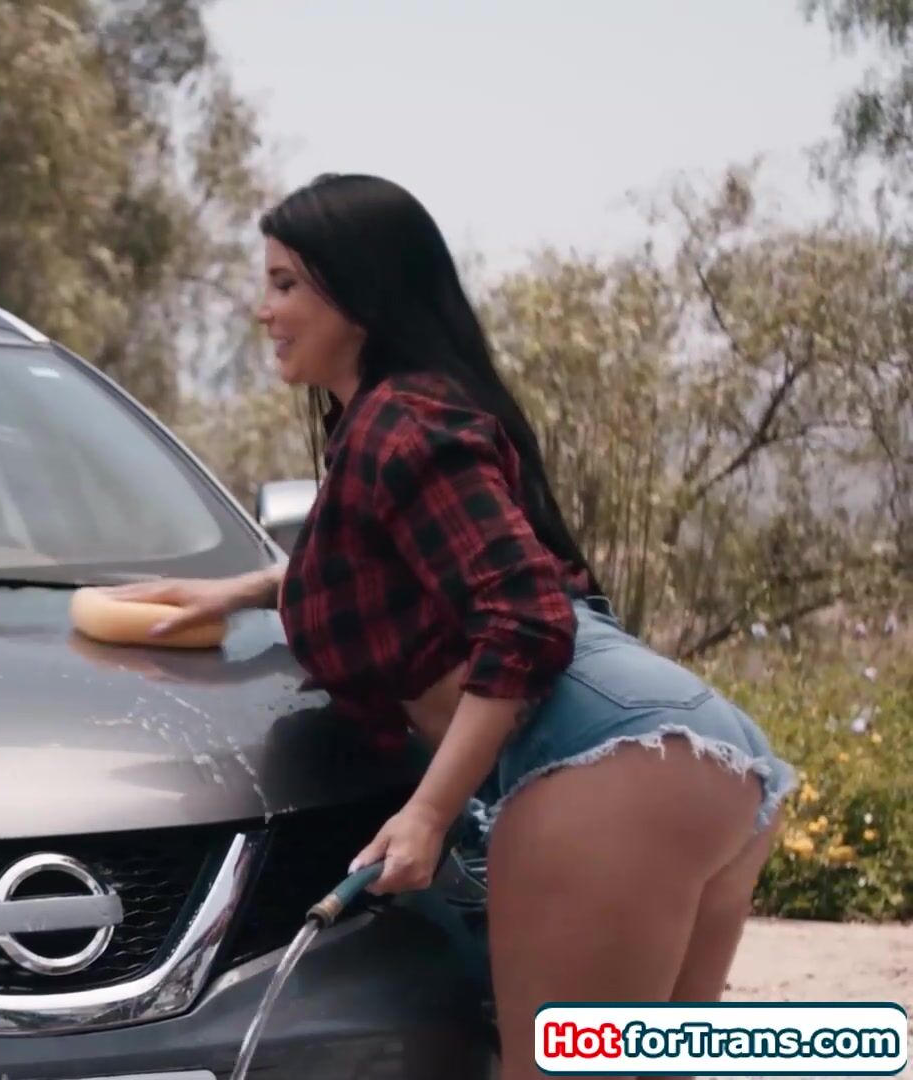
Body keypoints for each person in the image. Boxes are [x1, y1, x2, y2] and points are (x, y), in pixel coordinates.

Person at [108, 174, 796, 1078]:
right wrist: (244, 591)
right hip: (685, 754)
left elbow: (525, 617)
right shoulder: (400, 415)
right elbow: (419, 570)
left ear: (359, 293)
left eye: (284, 284)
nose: (262, 309)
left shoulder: (402, 423)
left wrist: (428, 813)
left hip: (601, 761)